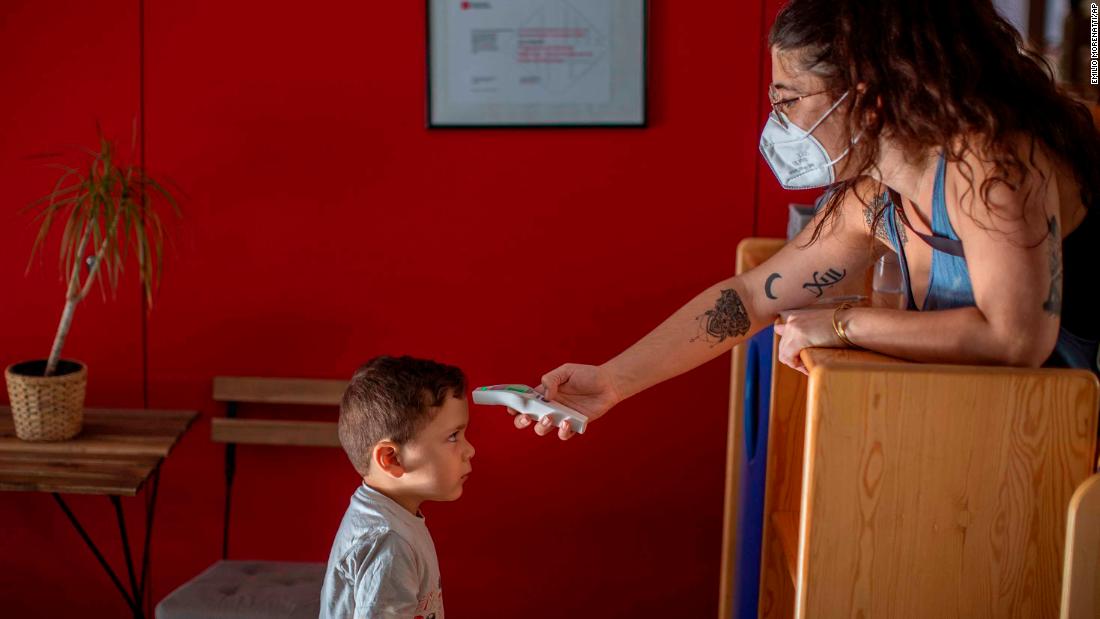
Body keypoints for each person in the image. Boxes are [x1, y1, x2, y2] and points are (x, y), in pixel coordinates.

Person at [510, 0, 1099, 441]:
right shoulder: (875, 195)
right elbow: (748, 298)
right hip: (1019, 442)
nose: (779, 121)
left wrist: (841, 324)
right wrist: (614, 382)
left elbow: (1015, 338)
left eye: (789, 100)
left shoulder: (991, 165)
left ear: (867, 101)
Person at [320, 355, 474, 618]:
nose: (470, 450)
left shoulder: (391, 516)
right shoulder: (388, 541)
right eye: (453, 436)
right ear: (391, 459)